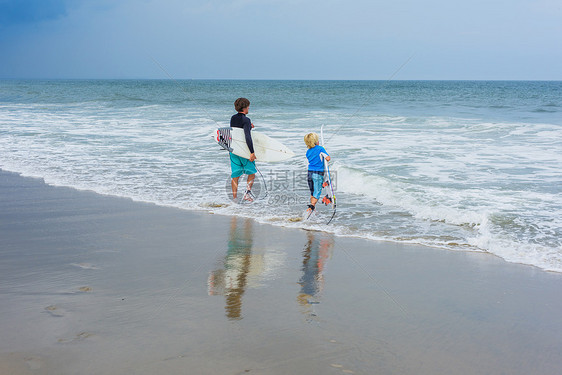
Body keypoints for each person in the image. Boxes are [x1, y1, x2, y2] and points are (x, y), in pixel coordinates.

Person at [230, 98, 257, 201]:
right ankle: (246, 194)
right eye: (248, 106)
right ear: (245, 108)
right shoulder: (246, 119)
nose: (249, 108)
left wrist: (248, 127)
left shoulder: (233, 118)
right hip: (244, 151)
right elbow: (247, 136)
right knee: (251, 173)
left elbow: (237, 132)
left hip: (234, 150)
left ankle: (235, 199)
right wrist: (252, 152)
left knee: (235, 175)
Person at [304, 132, 331, 215]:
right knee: (317, 192)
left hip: (309, 173)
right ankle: (311, 207)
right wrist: (324, 151)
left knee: (312, 192)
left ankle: (312, 209)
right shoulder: (320, 149)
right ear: (316, 141)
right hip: (317, 174)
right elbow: (328, 158)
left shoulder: (308, 151)